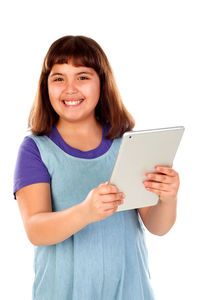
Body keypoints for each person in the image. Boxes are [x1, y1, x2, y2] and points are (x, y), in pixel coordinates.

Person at [13, 35, 180, 300]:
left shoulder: (126, 143)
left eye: (82, 76)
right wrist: (86, 212)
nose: (70, 88)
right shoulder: (36, 149)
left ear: (102, 83)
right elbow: (35, 229)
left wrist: (168, 198)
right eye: (58, 78)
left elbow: (157, 226)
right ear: (46, 86)